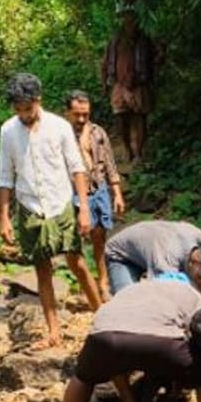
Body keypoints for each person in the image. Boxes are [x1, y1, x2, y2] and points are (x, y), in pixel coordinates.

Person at [53, 277, 201, 402]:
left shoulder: (131, 290)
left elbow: (119, 354)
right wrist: (183, 380)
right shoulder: (188, 292)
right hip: (160, 340)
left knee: (82, 377)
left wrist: (128, 400)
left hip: (105, 336)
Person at [0, 73, 104, 349]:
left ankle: (103, 317)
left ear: (38, 101)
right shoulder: (8, 131)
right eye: (18, 110)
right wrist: (4, 217)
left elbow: (76, 168)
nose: (23, 115)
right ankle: (54, 331)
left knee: (77, 263)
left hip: (60, 203)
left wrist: (83, 210)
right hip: (30, 207)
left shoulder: (58, 127)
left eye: (27, 109)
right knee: (42, 271)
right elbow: (5, 177)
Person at [65, 90, 126, 299]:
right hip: (72, 192)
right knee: (76, 240)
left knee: (100, 236)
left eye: (85, 114)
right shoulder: (62, 135)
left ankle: (103, 282)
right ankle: (85, 283)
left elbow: (109, 163)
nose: (81, 119)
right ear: (68, 113)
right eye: (77, 114)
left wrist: (117, 193)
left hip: (98, 189)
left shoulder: (98, 132)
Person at [103, 220, 201, 304]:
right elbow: (164, 301)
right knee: (129, 304)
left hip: (149, 248)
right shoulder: (166, 261)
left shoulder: (198, 236)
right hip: (122, 257)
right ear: (196, 261)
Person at [102, 4, 165, 164]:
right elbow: (106, 62)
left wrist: (160, 56)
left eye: (132, 17)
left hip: (140, 83)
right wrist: (104, 83)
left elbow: (158, 56)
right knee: (121, 118)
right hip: (119, 84)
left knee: (140, 118)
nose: (129, 20)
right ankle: (127, 150)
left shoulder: (145, 39)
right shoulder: (116, 40)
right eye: (126, 17)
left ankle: (139, 153)